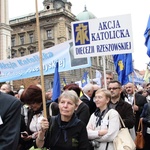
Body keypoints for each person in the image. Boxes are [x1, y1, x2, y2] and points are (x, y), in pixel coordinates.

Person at [19, 85, 59, 150]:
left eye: (32, 103)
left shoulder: (52, 107)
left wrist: (43, 133)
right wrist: (29, 136)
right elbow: (30, 130)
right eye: (28, 103)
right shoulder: (30, 112)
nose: (30, 106)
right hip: (35, 147)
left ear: (38, 99)